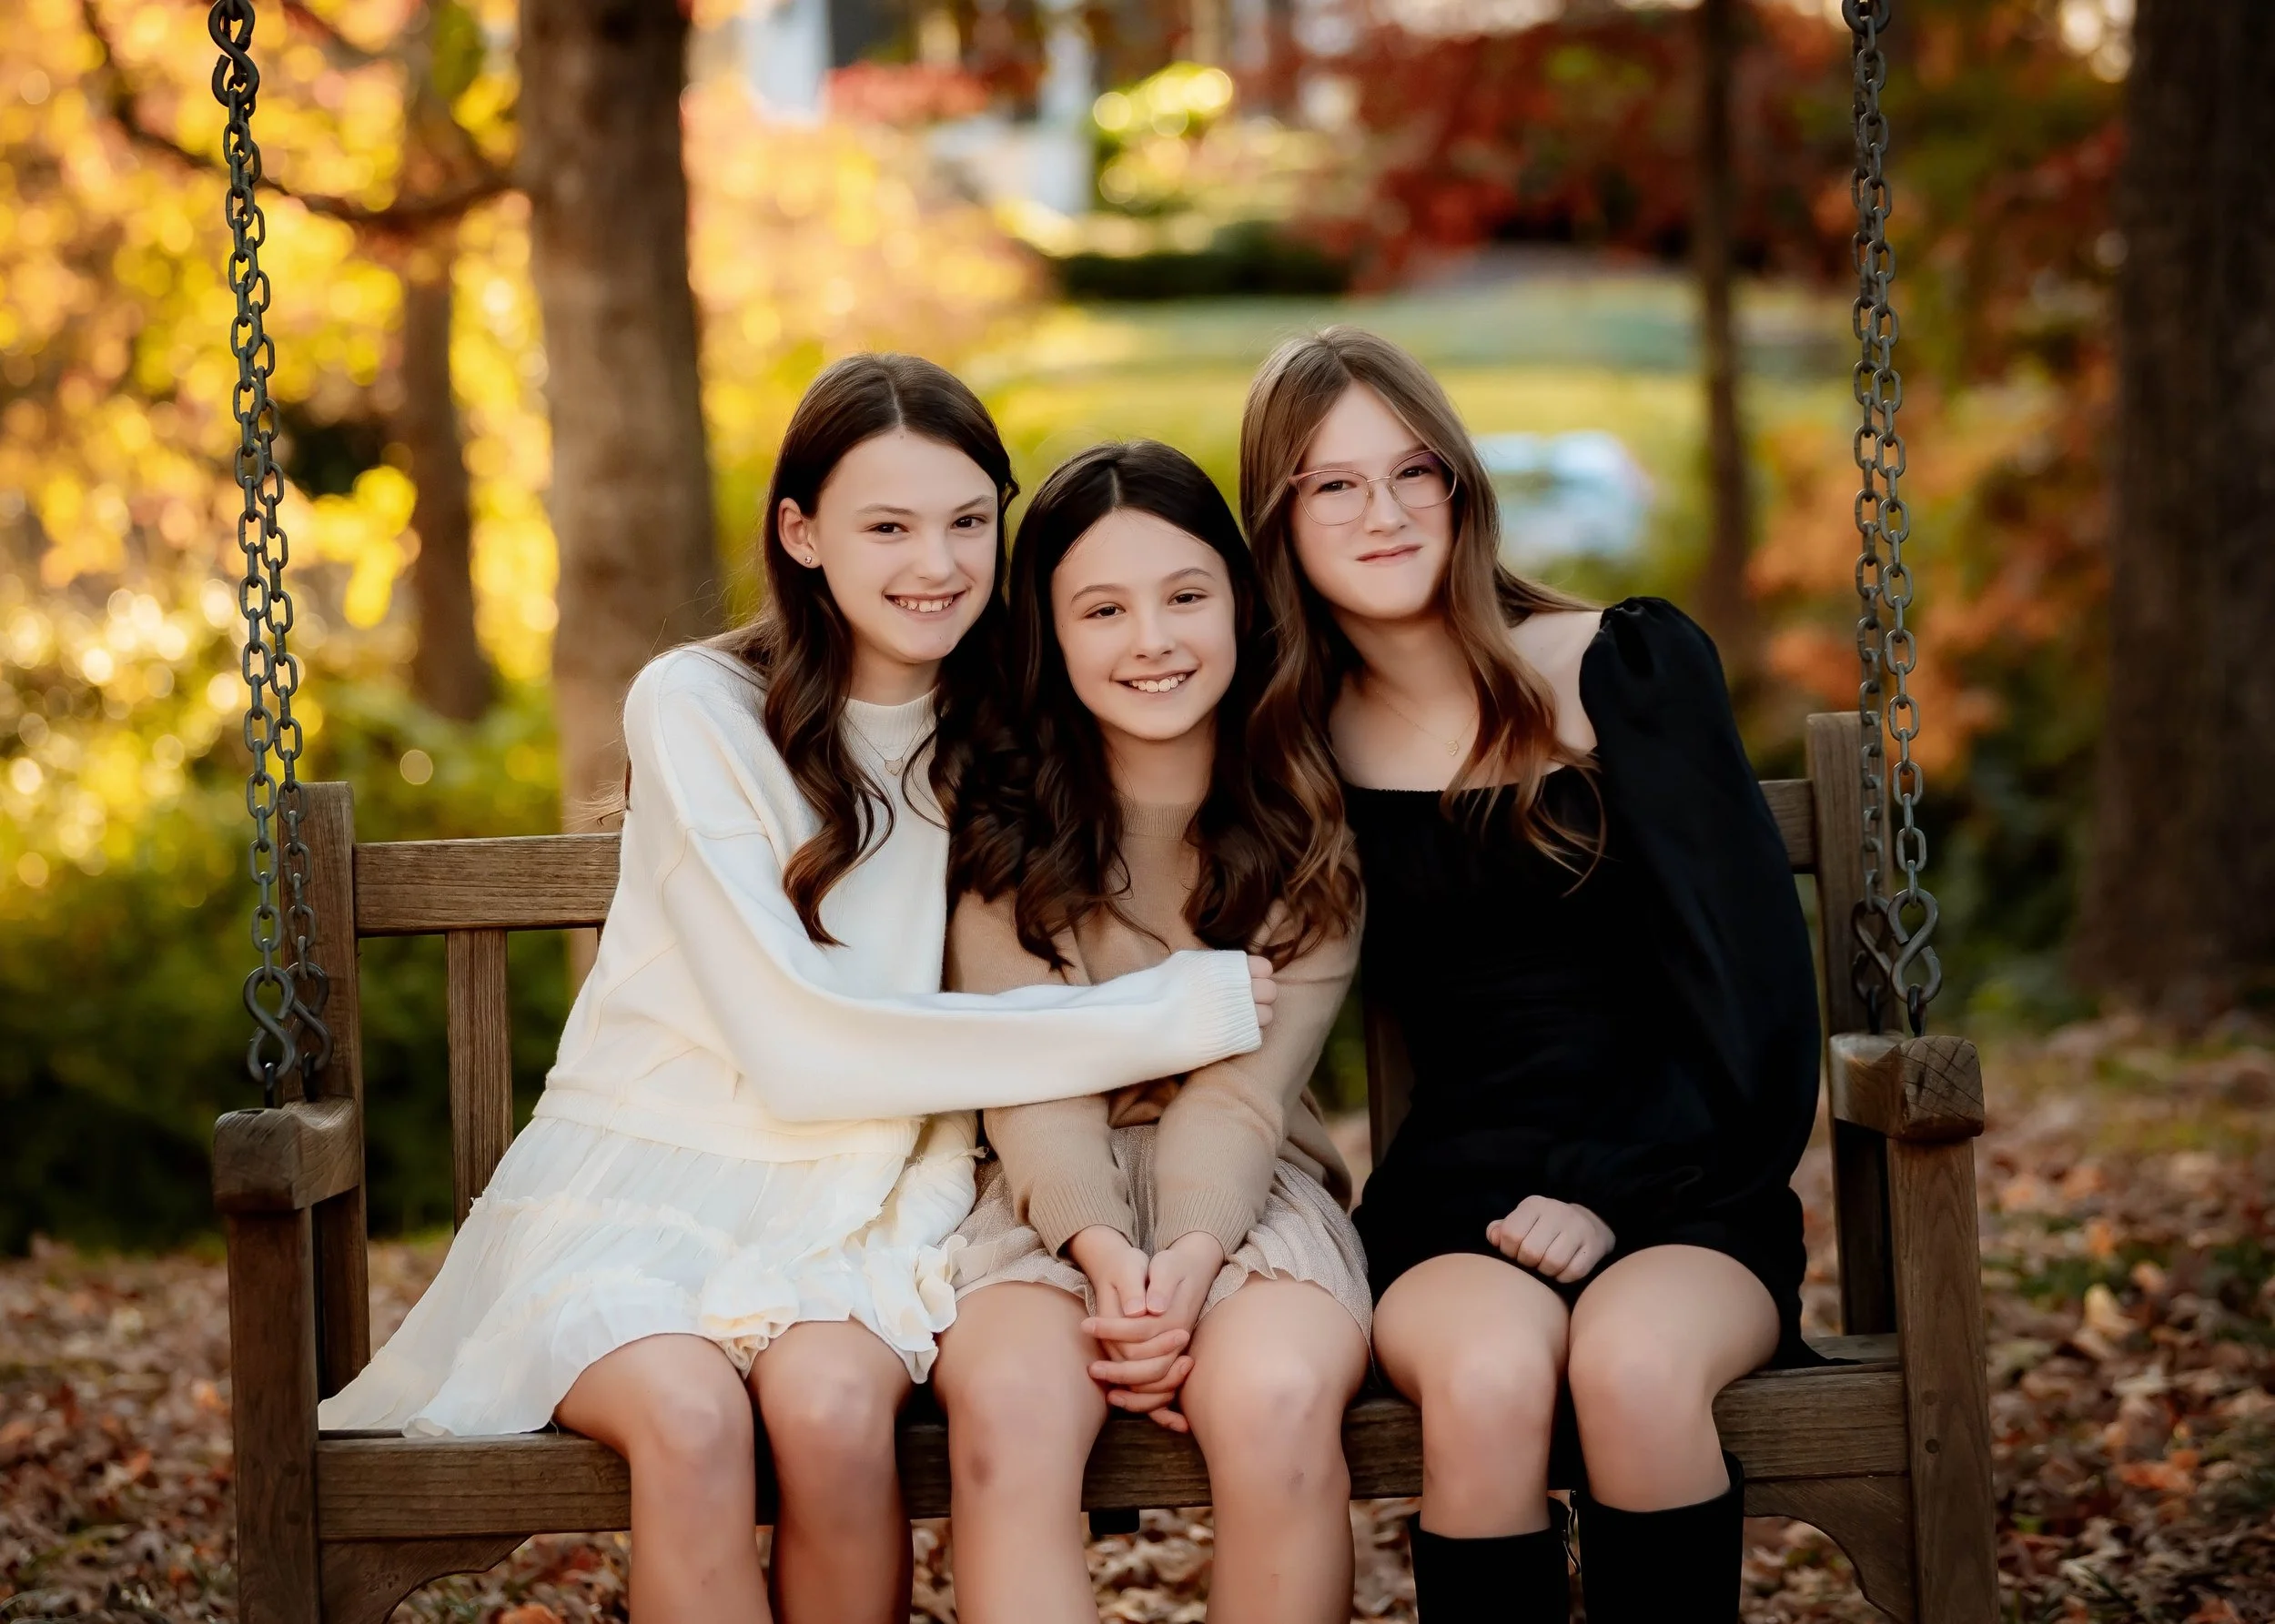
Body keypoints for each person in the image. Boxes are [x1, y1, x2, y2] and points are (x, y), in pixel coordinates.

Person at [318, 358, 1278, 1624]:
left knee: (831, 1415)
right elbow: (800, 1052)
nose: (934, 562)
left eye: (966, 522)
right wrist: (1169, 1012)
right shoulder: (697, 706)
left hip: (867, 1203)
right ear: (801, 532)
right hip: (649, 1188)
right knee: (693, 1423)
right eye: (887, 525)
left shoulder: (1003, 720)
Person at [1238, 328, 1821, 1623]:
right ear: (1278, 521)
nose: (1383, 513)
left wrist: (1609, 1194)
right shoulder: (1293, 749)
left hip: (1685, 1178)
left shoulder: (1618, 668)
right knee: (1492, 1379)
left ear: (1460, 485)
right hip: (1462, 1202)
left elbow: (1760, 1007)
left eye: (1413, 472)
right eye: (1331, 485)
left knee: (1634, 1369)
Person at [932, 440, 1371, 1624]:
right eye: (1104, 608)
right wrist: (1100, 1252)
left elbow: (1240, 1096)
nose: (1153, 640)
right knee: (1013, 1412)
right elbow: (1028, 1076)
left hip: (1246, 1187)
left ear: (1240, 603)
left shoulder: (1301, 817)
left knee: (1277, 1399)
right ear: (1051, 635)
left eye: (1186, 596)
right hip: (1036, 1195)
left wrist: (1180, 1260)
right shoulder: (1001, 822)